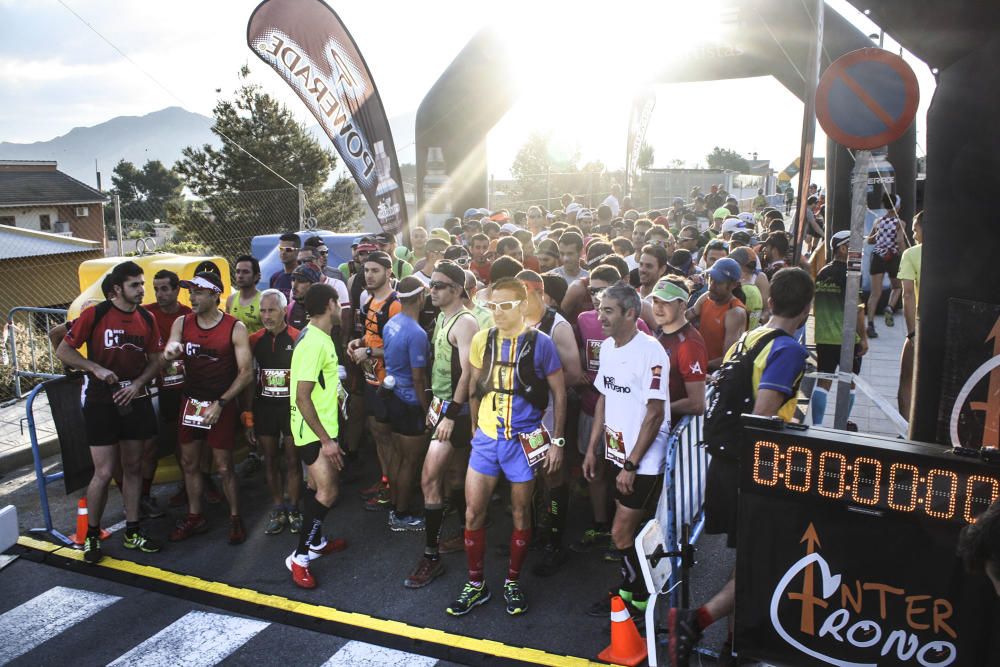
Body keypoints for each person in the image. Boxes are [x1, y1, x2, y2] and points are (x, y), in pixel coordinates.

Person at [667, 267, 814, 667]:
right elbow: (763, 416)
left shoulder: (748, 339)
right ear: (806, 308)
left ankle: (733, 645)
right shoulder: (788, 350)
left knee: (749, 558)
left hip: (724, 462)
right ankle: (697, 620)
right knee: (765, 561)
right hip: (753, 469)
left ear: (769, 302)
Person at [447, 277, 566, 617]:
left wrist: (557, 441)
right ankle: (475, 584)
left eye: (505, 306)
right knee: (472, 513)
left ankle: (512, 581)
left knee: (520, 512)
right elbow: (472, 387)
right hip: (486, 440)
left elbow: (558, 392)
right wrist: (474, 432)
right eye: (492, 306)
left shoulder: (540, 342)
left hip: (524, 441)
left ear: (522, 305)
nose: (498, 312)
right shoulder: (482, 340)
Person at [57, 261, 165, 563]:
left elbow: (156, 360)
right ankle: (91, 534)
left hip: (135, 399)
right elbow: (63, 350)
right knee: (103, 473)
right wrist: (94, 367)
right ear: (117, 289)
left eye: (142, 284)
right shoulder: (96, 314)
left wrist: (139, 384)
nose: (142, 290)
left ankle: (132, 530)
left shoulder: (147, 317)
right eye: (135, 285)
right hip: (101, 402)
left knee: (133, 468)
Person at [583, 283, 670, 619]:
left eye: (608, 310)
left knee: (620, 532)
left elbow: (655, 413)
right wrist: (593, 448)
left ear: (630, 314)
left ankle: (644, 598)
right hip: (617, 455)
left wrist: (632, 464)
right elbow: (604, 397)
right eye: (599, 308)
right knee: (626, 532)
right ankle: (628, 591)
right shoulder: (607, 347)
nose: (599, 316)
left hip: (642, 461)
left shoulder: (651, 351)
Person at [405, 261, 481, 588]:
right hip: (443, 407)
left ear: (457, 290)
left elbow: (469, 372)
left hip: (456, 412)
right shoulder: (440, 317)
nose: (431, 290)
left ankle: (431, 556)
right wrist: (433, 404)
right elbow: (440, 367)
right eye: (431, 284)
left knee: (428, 479)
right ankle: (467, 532)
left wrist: (449, 414)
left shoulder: (464, 323)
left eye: (438, 285)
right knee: (454, 474)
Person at [163, 272, 253, 545]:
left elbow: (246, 372)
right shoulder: (182, 322)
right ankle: (195, 515)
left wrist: (222, 403)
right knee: (189, 463)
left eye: (199, 292)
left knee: (224, 467)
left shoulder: (234, 327)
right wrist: (170, 351)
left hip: (220, 402)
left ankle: (235, 516)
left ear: (216, 295)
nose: (192, 297)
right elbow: (172, 344)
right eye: (190, 291)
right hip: (192, 401)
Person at [572, 266, 652, 557]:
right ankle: (600, 524)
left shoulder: (641, 333)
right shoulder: (583, 320)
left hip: (627, 421)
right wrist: (578, 371)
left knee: (623, 476)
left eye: (603, 292)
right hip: (592, 409)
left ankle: (625, 537)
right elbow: (582, 353)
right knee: (594, 471)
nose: (595, 299)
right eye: (592, 291)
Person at [517, 270, 584, 576]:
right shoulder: (512, 322)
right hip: (520, 418)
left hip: (548, 415)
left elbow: (574, 373)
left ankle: (555, 542)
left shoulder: (557, 326)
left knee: (552, 477)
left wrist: (538, 386)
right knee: (524, 476)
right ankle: (533, 534)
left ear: (539, 294)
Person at [286, 283, 349, 589]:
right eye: (339, 303)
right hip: (313, 432)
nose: (341, 308)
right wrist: (327, 440)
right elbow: (302, 397)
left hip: (315, 427)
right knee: (328, 492)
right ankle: (299, 558)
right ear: (329, 304)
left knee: (315, 488)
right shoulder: (315, 343)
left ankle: (317, 542)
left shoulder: (317, 336)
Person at [244, 288, 303, 535]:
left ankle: (294, 508)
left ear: (283, 310)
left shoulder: (298, 337)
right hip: (265, 407)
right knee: (269, 458)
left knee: (292, 459)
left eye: (272, 310)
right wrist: (247, 417)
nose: (266, 316)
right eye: (263, 310)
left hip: (291, 408)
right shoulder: (254, 339)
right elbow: (248, 379)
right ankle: (278, 508)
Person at [347, 251, 401, 511]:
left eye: (375, 270)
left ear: (389, 272)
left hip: (389, 383)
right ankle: (385, 479)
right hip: (371, 379)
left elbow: (402, 348)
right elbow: (371, 337)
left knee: (388, 437)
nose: (368, 275)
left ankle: (395, 490)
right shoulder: (368, 300)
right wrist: (358, 343)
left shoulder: (395, 304)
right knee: (378, 434)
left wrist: (368, 352)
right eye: (366, 270)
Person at [381, 276, 432, 531]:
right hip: (410, 402)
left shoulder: (392, 322)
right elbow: (418, 378)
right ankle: (400, 515)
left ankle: (393, 506)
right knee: (410, 462)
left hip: (392, 397)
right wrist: (427, 411)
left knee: (398, 456)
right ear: (421, 297)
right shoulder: (417, 333)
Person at [144, 269, 192, 518]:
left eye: (164, 289)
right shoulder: (147, 313)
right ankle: (144, 496)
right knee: (170, 440)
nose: (160, 294)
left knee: (195, 440)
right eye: (156, 289)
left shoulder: (188, 315)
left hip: (191, 386)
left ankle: (197, 484)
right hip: (161, 389)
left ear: (176, 290)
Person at [809, 231, 869, 428]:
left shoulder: (823, 273)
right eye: (854, 246)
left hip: (823, 337)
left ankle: (817, 426)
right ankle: (841, 423)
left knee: (823, 382)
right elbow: (858, 310)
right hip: (846, 339)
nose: (858, 250)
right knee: (849, 383)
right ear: (842, 249)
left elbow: (816, 307)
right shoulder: (850, 275)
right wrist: (864, 338)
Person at [649, 278, 708, 425]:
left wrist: (656, 410)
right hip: (656, 425)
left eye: (666, 302)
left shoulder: (689, 344)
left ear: (682, 305)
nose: (658, 308)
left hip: (670, 434)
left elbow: (697, 404)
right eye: (656, 301)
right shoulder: (662, 332)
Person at [687, 258, 747, 371]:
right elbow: (685, 318)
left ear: (733, 285)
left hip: (716, 374)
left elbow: (727, 358)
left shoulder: (735, 313)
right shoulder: (706, 297)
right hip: (697, 366)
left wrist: (696, 365)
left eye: (718, 282)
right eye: (711, 279)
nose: (711, 286)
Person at [866, 192, 905, 339]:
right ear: (898, 207)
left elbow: (870, 241)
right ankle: (889, 307)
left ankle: (870, 324)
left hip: (877, 256)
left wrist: (880, 236)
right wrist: (906, 255)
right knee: (897, 287)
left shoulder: (878, 222)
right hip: (892, 257)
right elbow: (900, 241)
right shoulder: (900, 223)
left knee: (875, 293)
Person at [897, 212, 923, 420]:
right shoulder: (955, 254)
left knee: (907, 380)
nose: (913, 235)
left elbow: (907, 293)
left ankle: (905, 429)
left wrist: (912, 333)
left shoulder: (911, 254)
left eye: (915, 230)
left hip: (922, 326)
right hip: (948, 326)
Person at [226, 255, 263, 333]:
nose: (240, 276)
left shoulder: (263, 301)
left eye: (245, 272)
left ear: (256, 276)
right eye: (238, 271)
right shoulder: (231, 299)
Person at [286, 263, 321, 330]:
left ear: (313, 284)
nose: (294, 286)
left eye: (301, 281)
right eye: (293, 279)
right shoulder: (291, 307)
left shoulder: (324, 308)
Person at [269, 232, 300, 299]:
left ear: (298, 251)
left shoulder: (304, 277)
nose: (283, 253)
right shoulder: (275, 278)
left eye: (288, 249)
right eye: (281, 249)